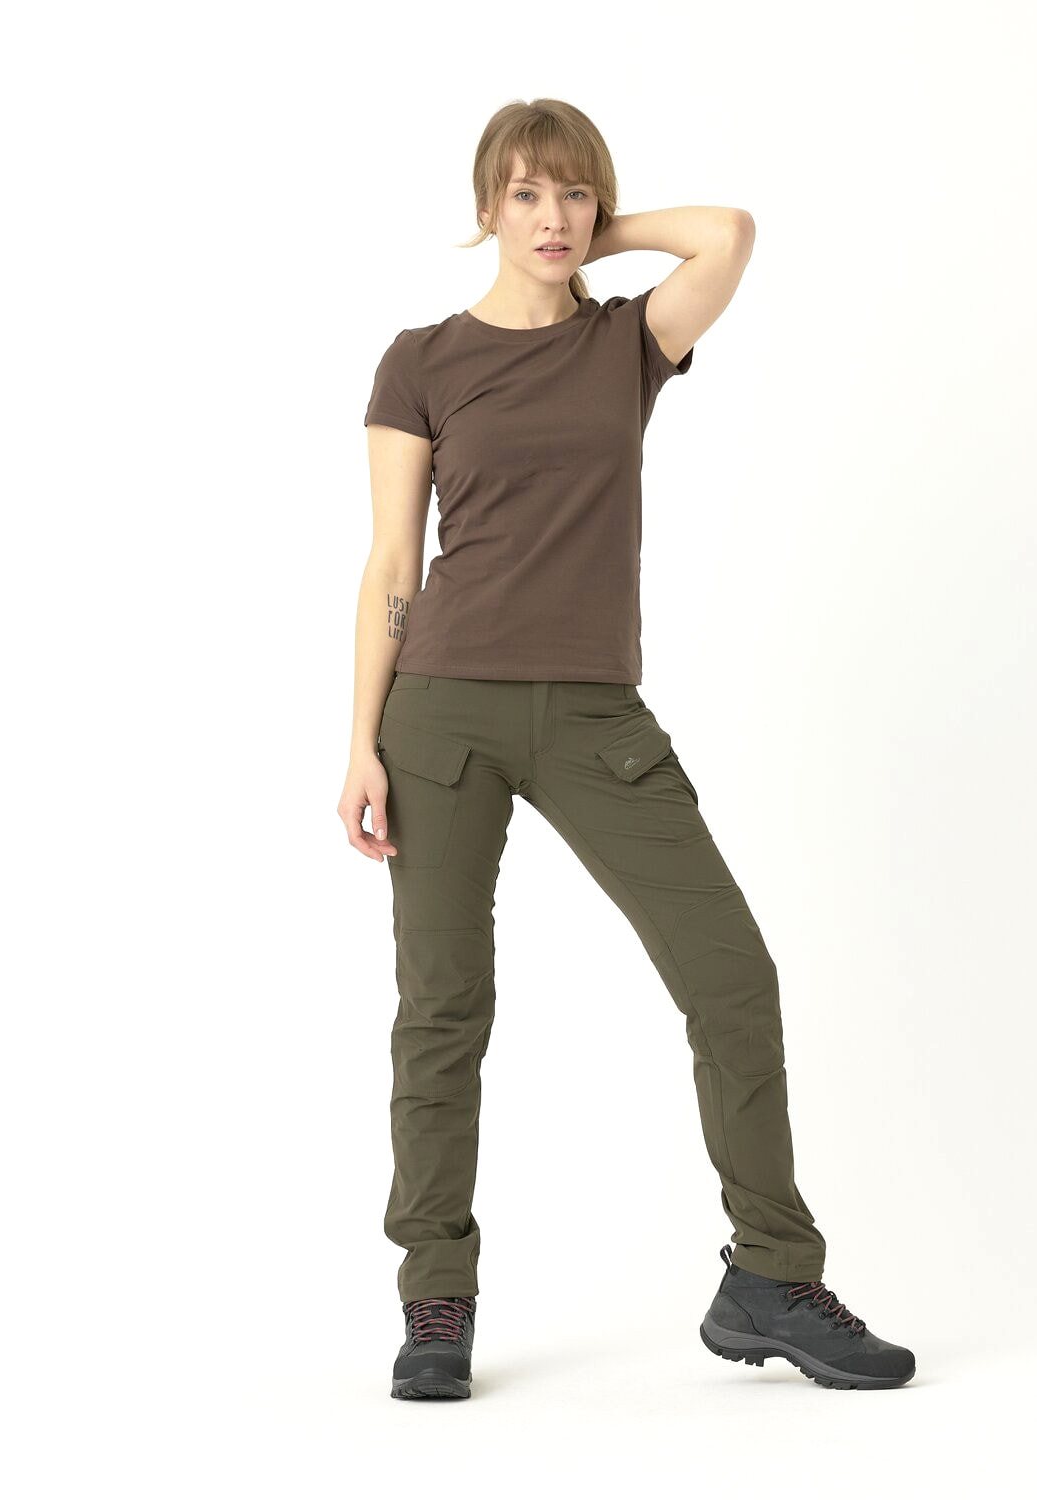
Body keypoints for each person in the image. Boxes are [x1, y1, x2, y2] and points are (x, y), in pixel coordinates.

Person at [340, 98, 916, 1400]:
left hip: (596, 716)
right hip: (441, 713)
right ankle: (436, 1301)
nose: (551, 217)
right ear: (484, 207)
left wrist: (591, 240)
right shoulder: (420, 361)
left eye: (573, 194)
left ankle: (770, 1275)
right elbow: (389, 565)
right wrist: (361, 742)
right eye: (525, 195)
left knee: (732, 979)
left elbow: (729, 233)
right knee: (443, 1010)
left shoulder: (627, 341)